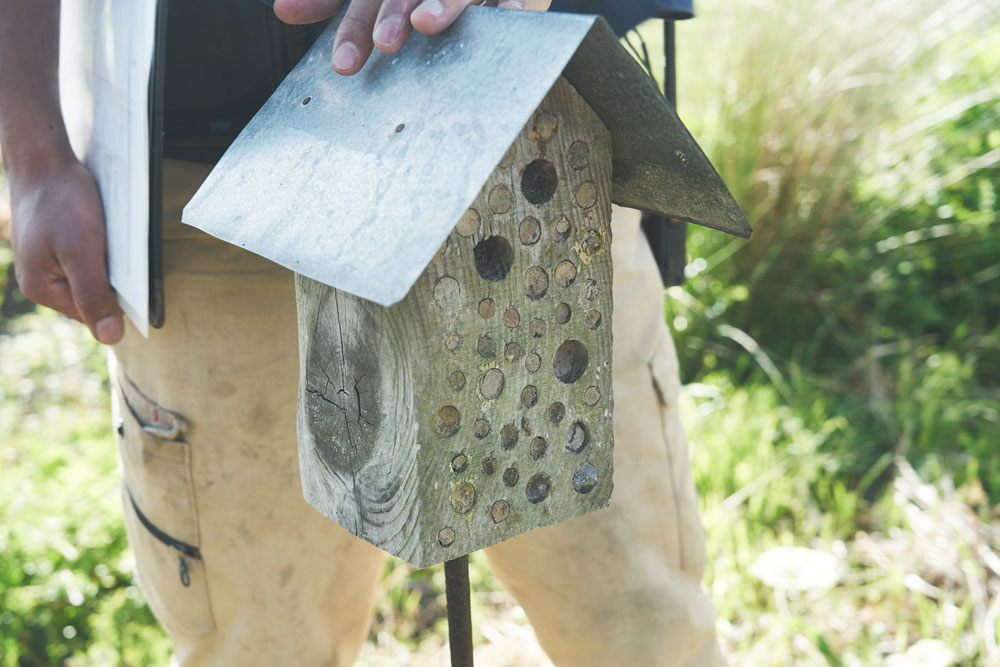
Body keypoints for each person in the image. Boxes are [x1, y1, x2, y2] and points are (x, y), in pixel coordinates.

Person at [1, 0, 724, 664]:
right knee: (266, 641)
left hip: (538, 119)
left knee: (640, 620)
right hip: (216, 175)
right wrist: (33, 150)